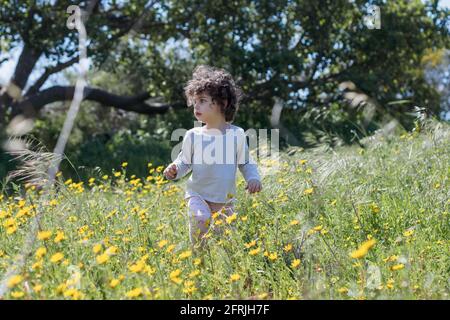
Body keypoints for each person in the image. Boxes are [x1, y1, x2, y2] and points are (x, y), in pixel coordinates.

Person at [163, 65, 262, 247]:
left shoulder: (237, 134)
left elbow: (246, 162)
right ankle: (197, 259)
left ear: (222, 103)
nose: (196, 106)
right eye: (195, 101)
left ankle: (221, 269)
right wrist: (175, 169)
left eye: (202, 100)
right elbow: (185, 162)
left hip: (224, 199)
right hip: (198, 194)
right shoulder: (193, 135)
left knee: (226, 243)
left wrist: (253, 178)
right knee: (201, 220)